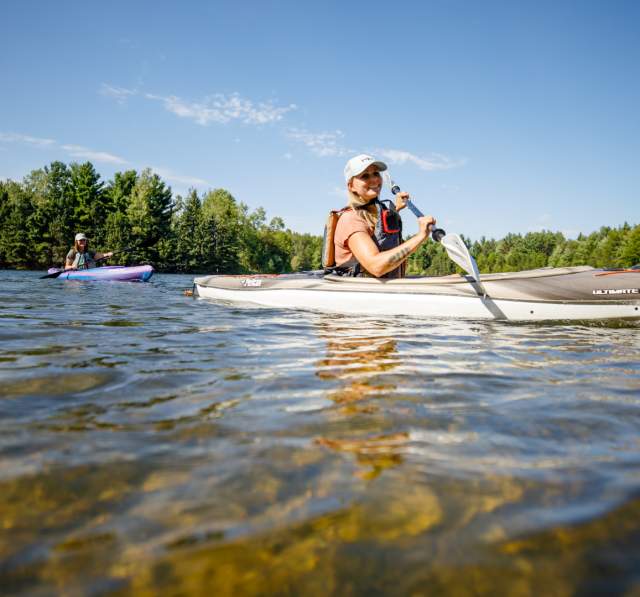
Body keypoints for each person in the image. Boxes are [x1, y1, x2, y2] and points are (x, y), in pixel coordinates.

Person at [334, 154, 436, 278]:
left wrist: (395, 210)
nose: (374, 180)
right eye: (365, 176)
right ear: (351, 186)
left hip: (384, 292)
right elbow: (376, 266)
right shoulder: (351, 219)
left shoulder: (375, 214)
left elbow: (382, 237)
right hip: (362, 294)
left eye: (376, 174)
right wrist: (420, 236)